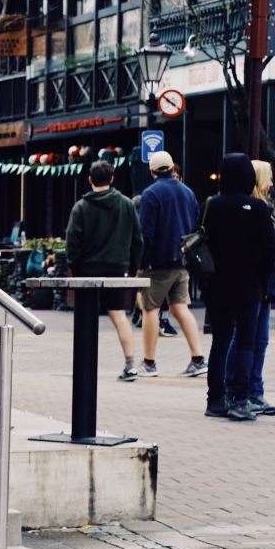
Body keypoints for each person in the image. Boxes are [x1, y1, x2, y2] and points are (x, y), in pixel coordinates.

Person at [197, 154, 275, 421]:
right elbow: (269, 251)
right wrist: (262, 278)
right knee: (246, 342)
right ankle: (240, 400)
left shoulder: (210, 204)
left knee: (219, 342)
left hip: (215, 284)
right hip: (248, 286)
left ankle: (215, 400)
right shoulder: (257, 208)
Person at [62, 160, 144, 380]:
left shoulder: (81, 207)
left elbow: (72, 242)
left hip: (87, 271)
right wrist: (132, 269)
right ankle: (130, 365)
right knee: (119, 315)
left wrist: (75, 268)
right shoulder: (126, 205)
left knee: (85, 318)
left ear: (90, 180)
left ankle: (84, 366)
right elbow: (138, 240)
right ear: (112, 179)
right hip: (117, 269)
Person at [134, 151, 208, 377]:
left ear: (152, 170)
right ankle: (198, 359)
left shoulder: (150, 193)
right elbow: (196, 224)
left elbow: (146, 232)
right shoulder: (187, 192)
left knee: (149, 309)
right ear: (173, 168)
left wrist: (142, 264)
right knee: (179, 307)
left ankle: (148, 363)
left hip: (159, 262)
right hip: (182, 260)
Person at [246, 161, 275, 415]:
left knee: (261, 339)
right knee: (248, 338)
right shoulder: (257, 209)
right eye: (269, 178)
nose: (272, 183)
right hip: (256, 283)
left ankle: (255, 390)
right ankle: (247, 390)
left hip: (264, 285)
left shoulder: (266, 207)